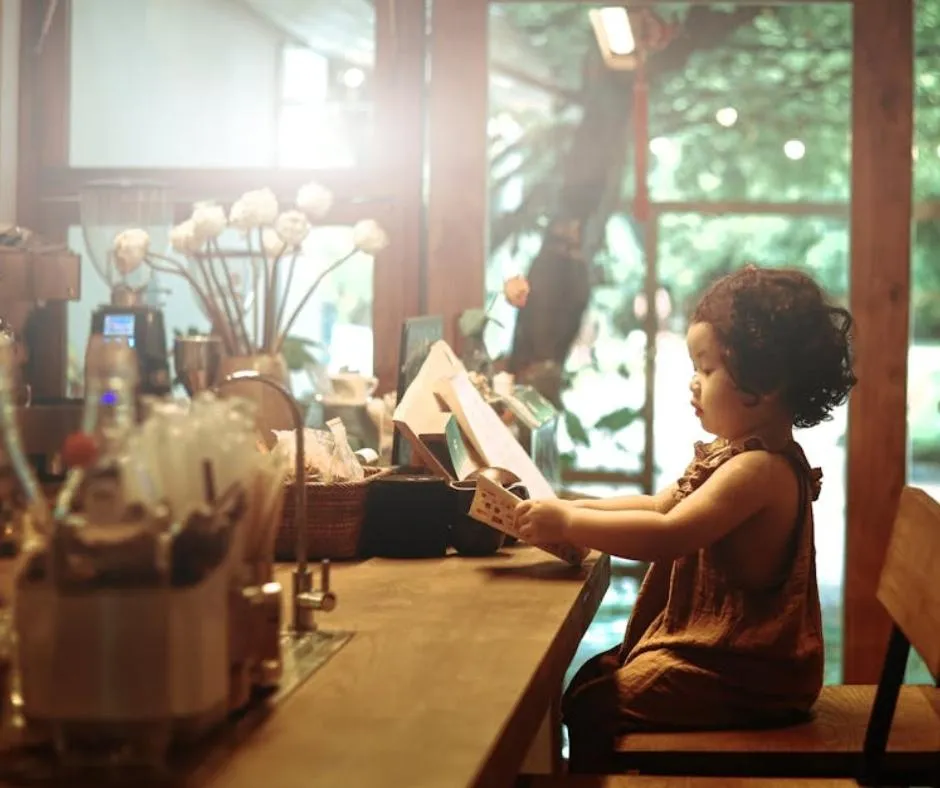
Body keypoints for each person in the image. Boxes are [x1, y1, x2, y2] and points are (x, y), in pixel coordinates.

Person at [514, 265, 857, 773]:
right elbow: (658, 505)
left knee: (593, 703)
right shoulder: (733, 453)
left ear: (761, 385)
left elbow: (668, 535)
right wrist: (567, 505)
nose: (693, 384)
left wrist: (566, 524)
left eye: (707, 368)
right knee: (593, 678)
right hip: (723, 657)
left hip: (752, 674)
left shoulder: (760, 472)